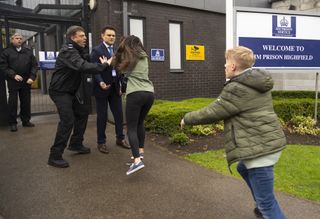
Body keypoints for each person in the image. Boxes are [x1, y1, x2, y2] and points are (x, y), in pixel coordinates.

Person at [180, 46, 287, 219]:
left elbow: (213, 111)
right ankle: (261, 203)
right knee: (242, 167)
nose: (224, 66)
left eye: (226, 63)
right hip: (266, 143)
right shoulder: (254, 81)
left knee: (268, 205)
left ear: (233, 67)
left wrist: (187, 118)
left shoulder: (237, 88)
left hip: (259, 151)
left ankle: (263, 206)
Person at [48, 25, 112, 168]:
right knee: (67, 120)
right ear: (72, 37)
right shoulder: (68, 52)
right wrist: (104, 66)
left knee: (82, 113)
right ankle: (54, 155)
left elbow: (88, 59)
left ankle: (76, 144)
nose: (85, 38)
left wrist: (100, 56)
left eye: (85, 36)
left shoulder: (77, 51)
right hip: (59, 91)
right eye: (81, 36)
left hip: (70, 91)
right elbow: (83, 66)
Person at [113, 36, 154, 175]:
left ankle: (137, 161)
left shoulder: (128, 57)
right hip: (149, 93)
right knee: (139, 123)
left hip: (135, 93)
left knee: (131, 127)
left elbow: (120, 70)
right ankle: (140, 152)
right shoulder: (144, 56)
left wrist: (109, 61)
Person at [91, 25, 130, 154]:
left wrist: (120, 86)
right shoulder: (96, 51)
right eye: (109, 35)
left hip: (114, 89)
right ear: (102, 36)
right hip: (102, 88)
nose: (112, 37)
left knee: (119, 115)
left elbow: (119, 70)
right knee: (102, 117)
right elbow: (94, 70)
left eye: (113, 35)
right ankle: (101, 142)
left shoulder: (117, 51)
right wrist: (101, 82)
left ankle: (120, 138)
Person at [0, 33, 38, 132]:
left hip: (26, 80)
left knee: (26, 101)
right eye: (17, 38)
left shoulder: (28, 52)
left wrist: (32, 77)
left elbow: (34, 65)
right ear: (12, 40)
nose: (19, 40)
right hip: (13, 80)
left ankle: (26, 121)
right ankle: (12, 123)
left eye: (21, 38)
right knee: (12, 102)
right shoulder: (6, 52)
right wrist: (13, 75)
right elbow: (3, 66)